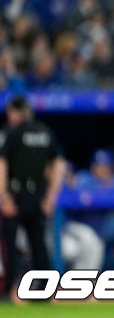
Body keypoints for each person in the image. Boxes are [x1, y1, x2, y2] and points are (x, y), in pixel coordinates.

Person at [0, 96, 66, 295]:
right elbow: (59, 165)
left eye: (10, 112)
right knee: (38, 245)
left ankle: (7, 292)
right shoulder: (45, 132)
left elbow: (2, 164)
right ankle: (44, 291)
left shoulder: (13, 132)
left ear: (16, 112)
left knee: (9, 246)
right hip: (38, 195)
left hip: (16, 194)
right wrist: (50, 198)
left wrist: (5, 197)